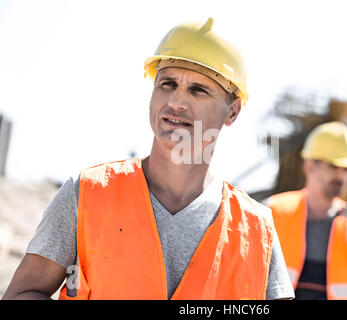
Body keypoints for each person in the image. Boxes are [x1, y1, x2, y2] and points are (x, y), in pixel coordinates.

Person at [3, 18, 294, 300]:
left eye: (198, 90)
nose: (176, 102)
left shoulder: (257, 230)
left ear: (232, 112)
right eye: (167, 84)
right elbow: (24, 293)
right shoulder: (87, 194)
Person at [268, 121, 347, 300]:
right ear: (309, 166)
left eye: (346, 169)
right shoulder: (273, 211)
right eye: (332, 166)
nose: (340, 176)